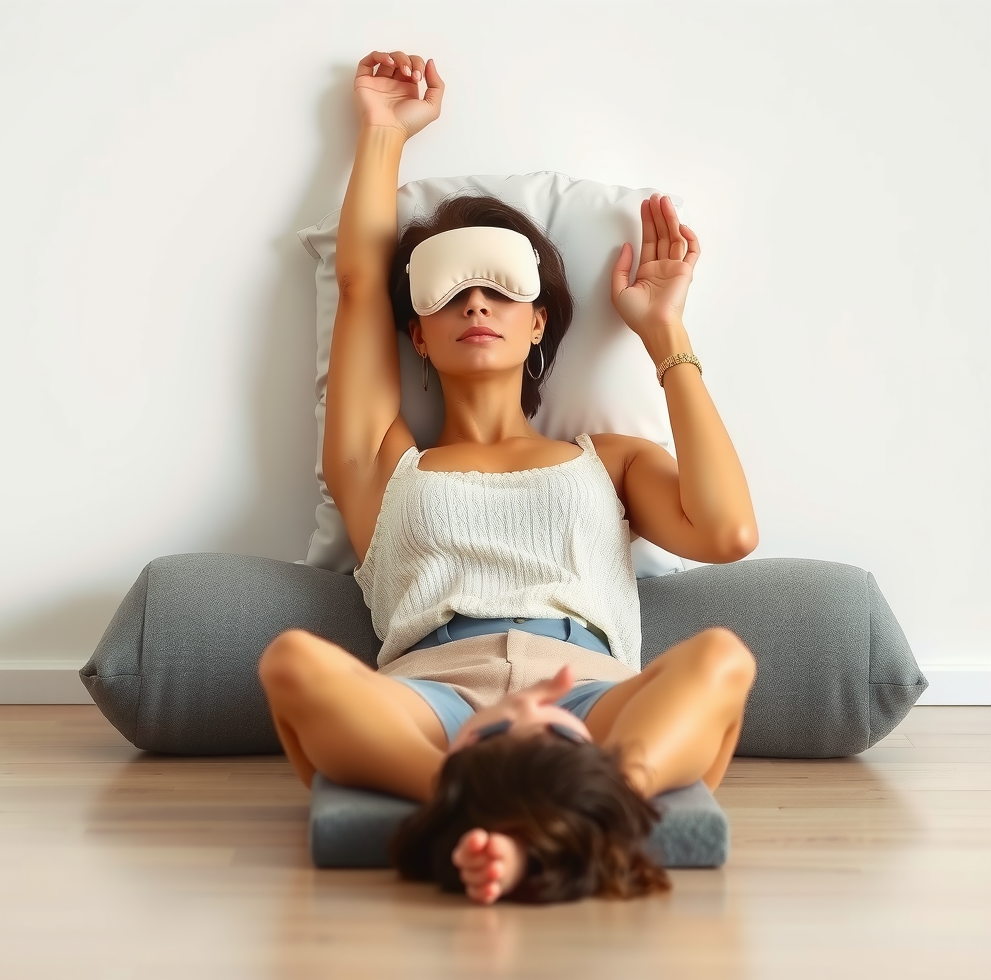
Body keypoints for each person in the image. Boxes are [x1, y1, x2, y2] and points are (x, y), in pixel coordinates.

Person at [258, 50, 759, 905]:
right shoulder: (380, 461)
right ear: (417, 334)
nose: (477, 305)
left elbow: (727, 533)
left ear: (539, 324)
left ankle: (575, 799)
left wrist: (662, 332)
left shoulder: (610, 459)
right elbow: (356, 280)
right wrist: (385, 135)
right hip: (434, 700)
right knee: (294, 665)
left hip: (591, 696)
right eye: (452, 295)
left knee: (721, 660)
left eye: (499, 290)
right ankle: (500, 803)